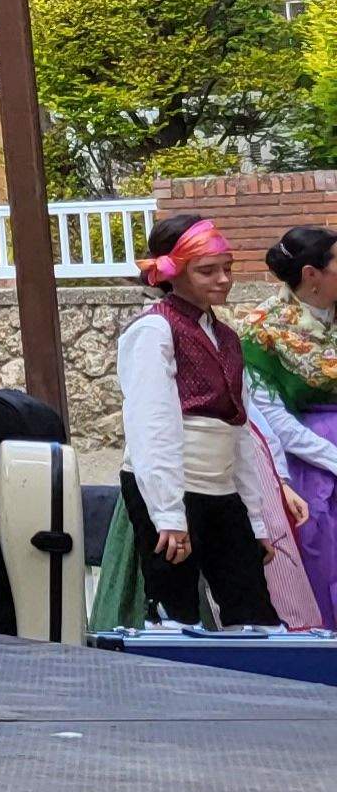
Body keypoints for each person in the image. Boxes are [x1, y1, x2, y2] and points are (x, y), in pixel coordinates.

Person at [100, 217, 305, 628]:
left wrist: (255, 519)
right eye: (207, 270)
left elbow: (240, 431)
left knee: (253, 609)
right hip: (170, 485)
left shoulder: (226, 336)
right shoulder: (154, 330)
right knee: (175, 611)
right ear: (173, 273)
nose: (223, 279)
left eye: (227, 267)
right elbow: (152, 424)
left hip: (221, 487)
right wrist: (169, 514)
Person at [241, 225, 337, 627]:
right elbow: (272, 416)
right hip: (308, 461)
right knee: (321, 554)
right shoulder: (264, 329)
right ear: (312, 274)